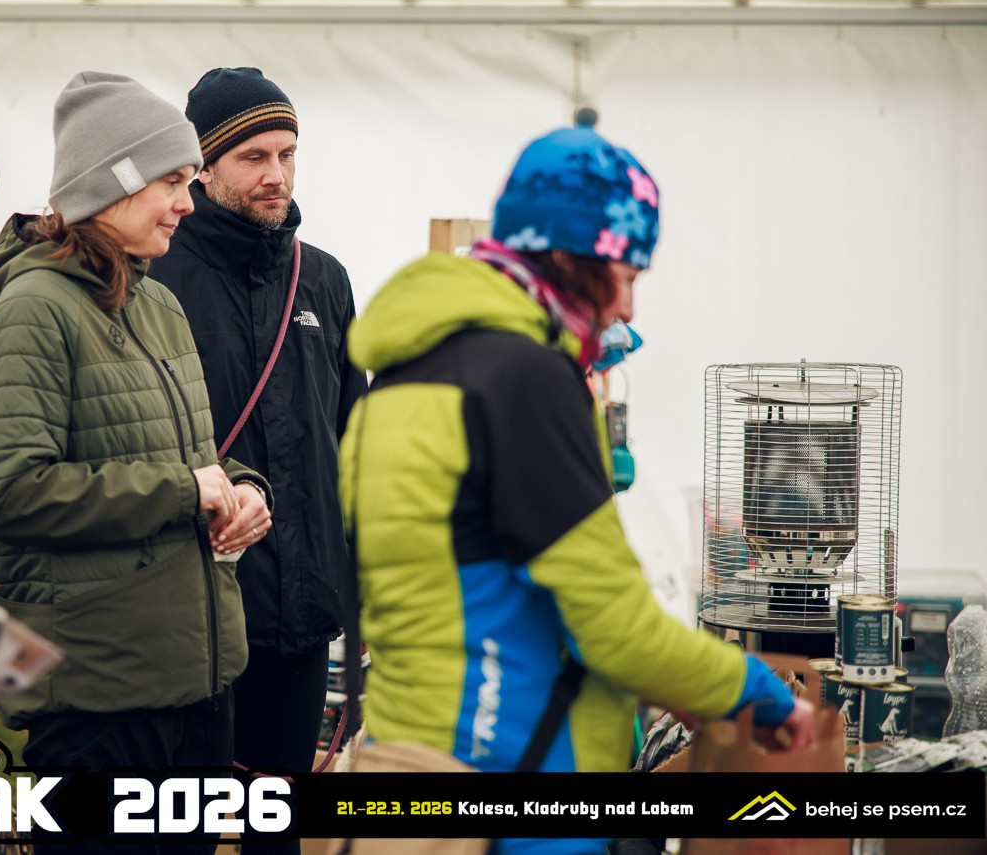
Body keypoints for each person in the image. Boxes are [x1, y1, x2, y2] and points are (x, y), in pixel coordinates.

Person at [339, 121, 814, 855]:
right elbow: (614, 628)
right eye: (626, 276)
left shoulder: (398, 377)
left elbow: (465, 600)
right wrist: (757, 690)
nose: (629, 309)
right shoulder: (525, 378)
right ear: (567, 257)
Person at [0, 71, 272, 855]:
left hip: (192, 685)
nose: (187, 203)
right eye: (172, 181)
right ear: (114, 184)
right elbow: (9, 491)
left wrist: (240, 487)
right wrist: (183, 490)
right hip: (99, 700)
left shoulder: (157, 303)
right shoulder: (35, 311)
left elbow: (190, 456)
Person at [149, 68, 368, 797]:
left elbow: (355, 442)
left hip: (302, 613)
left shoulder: (325, 281)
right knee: (185, 817)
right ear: (203, 168)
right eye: (253, 157)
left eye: (287, 153)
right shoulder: (153, 280)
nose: (276, 175)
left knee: (278, 817)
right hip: (195, 612)